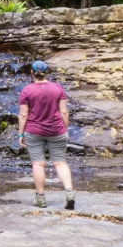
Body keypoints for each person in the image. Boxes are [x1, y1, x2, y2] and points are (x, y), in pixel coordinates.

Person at [18, 60, 75, 210]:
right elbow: (63, 111)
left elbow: (24, 115)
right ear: (46, 72)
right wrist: (66, 129)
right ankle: (69, 193)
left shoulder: (27, 90)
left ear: (32, 72)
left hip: (34, 131)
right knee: (60, 162)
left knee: (38, 164)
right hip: (57, 130)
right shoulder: (57, 88)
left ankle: (41, 198)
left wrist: (20, 134)